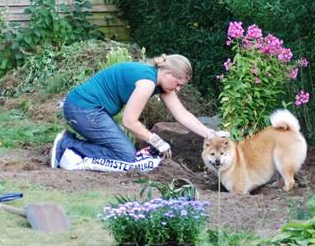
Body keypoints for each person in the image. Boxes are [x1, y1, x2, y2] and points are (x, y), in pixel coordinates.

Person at [50, 54, 226, 168]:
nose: (178, 89)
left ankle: (70, 144)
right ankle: (67, 146)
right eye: (178, 84)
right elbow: (129, 121)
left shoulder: (160, 83)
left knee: (123, 150)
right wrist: (157, 141)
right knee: (125, 155)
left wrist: (210, 133)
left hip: (91, 111)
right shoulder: (146, 83)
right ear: (168, 73)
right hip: (83, 110)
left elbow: (182, 114)